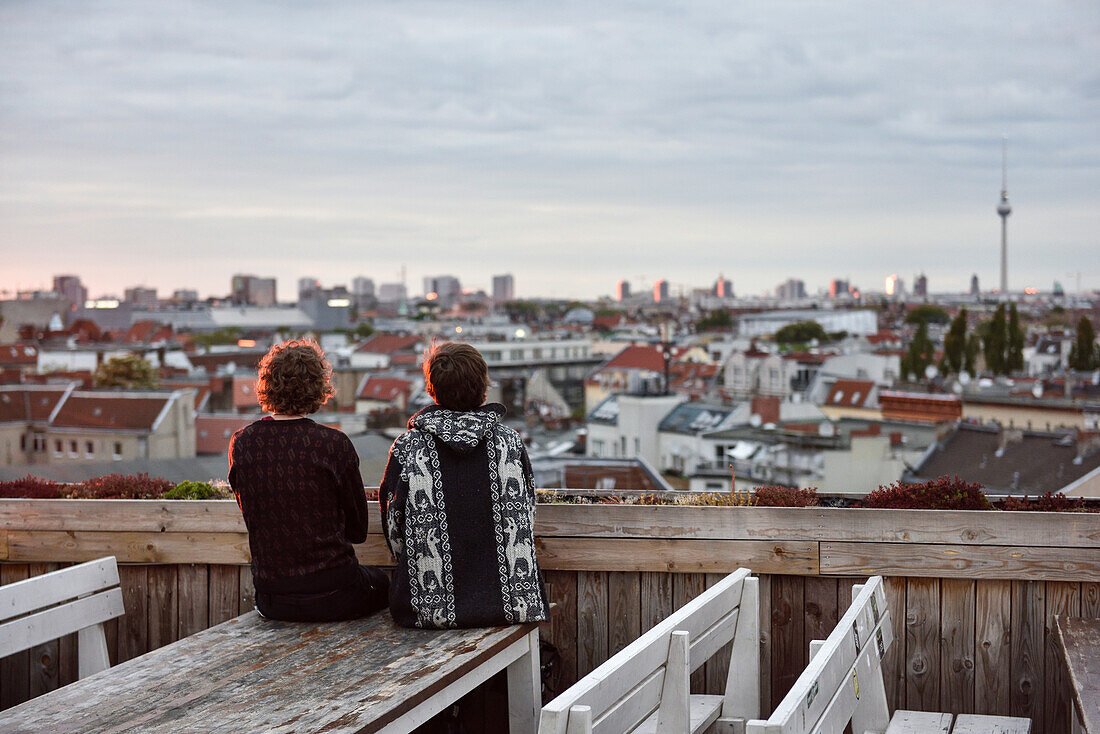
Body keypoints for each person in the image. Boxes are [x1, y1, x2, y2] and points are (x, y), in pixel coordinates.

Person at [380, 342, 548, 629]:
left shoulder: (408, 447)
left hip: (427, 610)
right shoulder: (509, 443)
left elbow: (393, 527)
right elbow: (527, 515)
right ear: (484, 386)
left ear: (433, 388)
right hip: (510, 606)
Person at [229, 339, 389, 622]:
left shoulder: (242, 444)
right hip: (336, 594)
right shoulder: (333, 444)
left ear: (267, 384)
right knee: (386, 583)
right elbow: (357, 530)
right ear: (319, 387)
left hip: (273, 599)